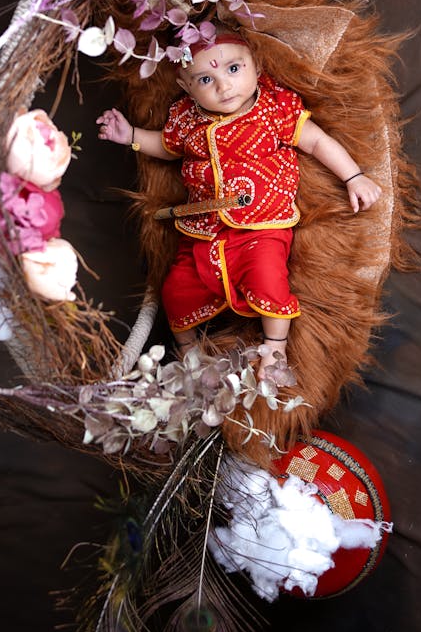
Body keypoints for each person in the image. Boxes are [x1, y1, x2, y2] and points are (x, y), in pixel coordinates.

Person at [97, 31, 382, 382]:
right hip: (202, 232)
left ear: (256, 65)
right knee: (176, 289)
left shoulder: (273, 108)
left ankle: (274, 346)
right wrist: (131, 137)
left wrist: (354, 176)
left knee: (268, 281)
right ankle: (188, 351)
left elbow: (318, 142)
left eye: (234, 68)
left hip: (262, 227)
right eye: (206, 79)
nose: (224, 86)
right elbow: (164, 146)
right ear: (186, 87)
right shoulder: (187, 120)